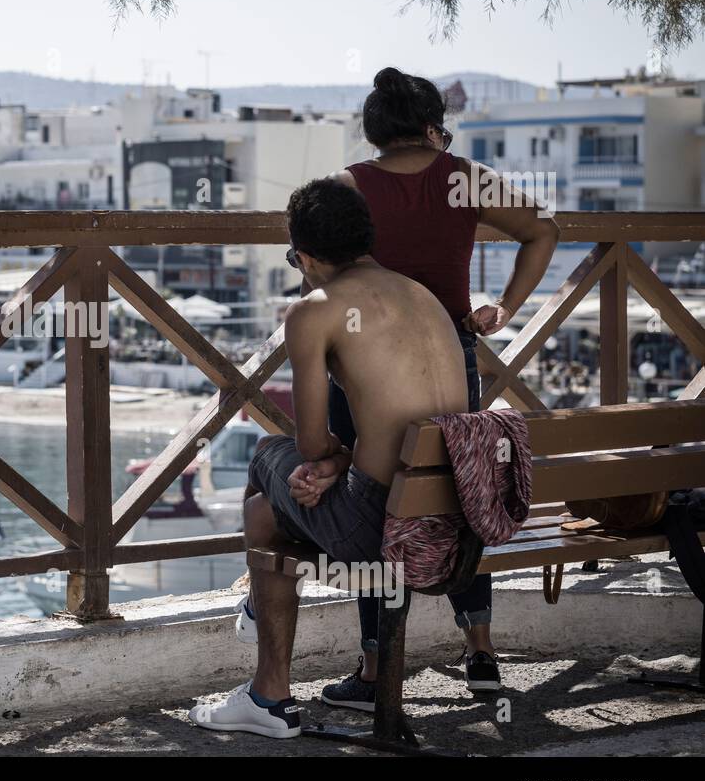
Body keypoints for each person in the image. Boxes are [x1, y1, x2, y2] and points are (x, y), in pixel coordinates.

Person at [189, 177, 469, 739]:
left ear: (310, 257)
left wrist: (330, 462)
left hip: (383, 528)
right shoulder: (422, 295)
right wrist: (338, 464)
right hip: (459, 520)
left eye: (296, 259)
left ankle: (269, 696)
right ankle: (261, 671)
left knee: (268, 457)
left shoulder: (316, 311)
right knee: (266, 514)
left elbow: (312, 445)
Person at [315, 66, 558, 705]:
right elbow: (543, 231)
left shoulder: (349, 186)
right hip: (451, 357)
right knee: (456, 492)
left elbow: (320, 267)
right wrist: (503, 307)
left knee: (375, 508)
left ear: (374, 131)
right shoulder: (464, 179)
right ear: (432, 126)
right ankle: (480, 651)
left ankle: (373, 670)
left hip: (364, 371)